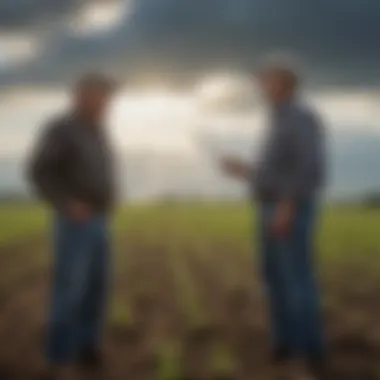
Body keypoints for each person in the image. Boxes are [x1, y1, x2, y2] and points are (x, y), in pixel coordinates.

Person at [221, 58, 326, 378]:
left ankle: (307, 349)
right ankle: (284, 343)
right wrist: (247, 172)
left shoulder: (300, 117)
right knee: (276, 278)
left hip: (286, 208)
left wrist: (287, 206)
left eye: (267, 79)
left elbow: (308, 167)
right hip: (272, 204)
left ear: (284, 83)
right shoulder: (278, 119)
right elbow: (277, 173)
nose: (261, 85)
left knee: (294, 277)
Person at [27, 73, 117, 379]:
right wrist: (66, 203)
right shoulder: (62, 128)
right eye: (101, 94)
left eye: (108, 95)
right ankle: (60, 357)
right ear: (80, 95)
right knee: (69, 290)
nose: (107, 101)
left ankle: (87, 348)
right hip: (75, 220)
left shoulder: (97, 129)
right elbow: (39, 171)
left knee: (96, 287)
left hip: (100, 218)